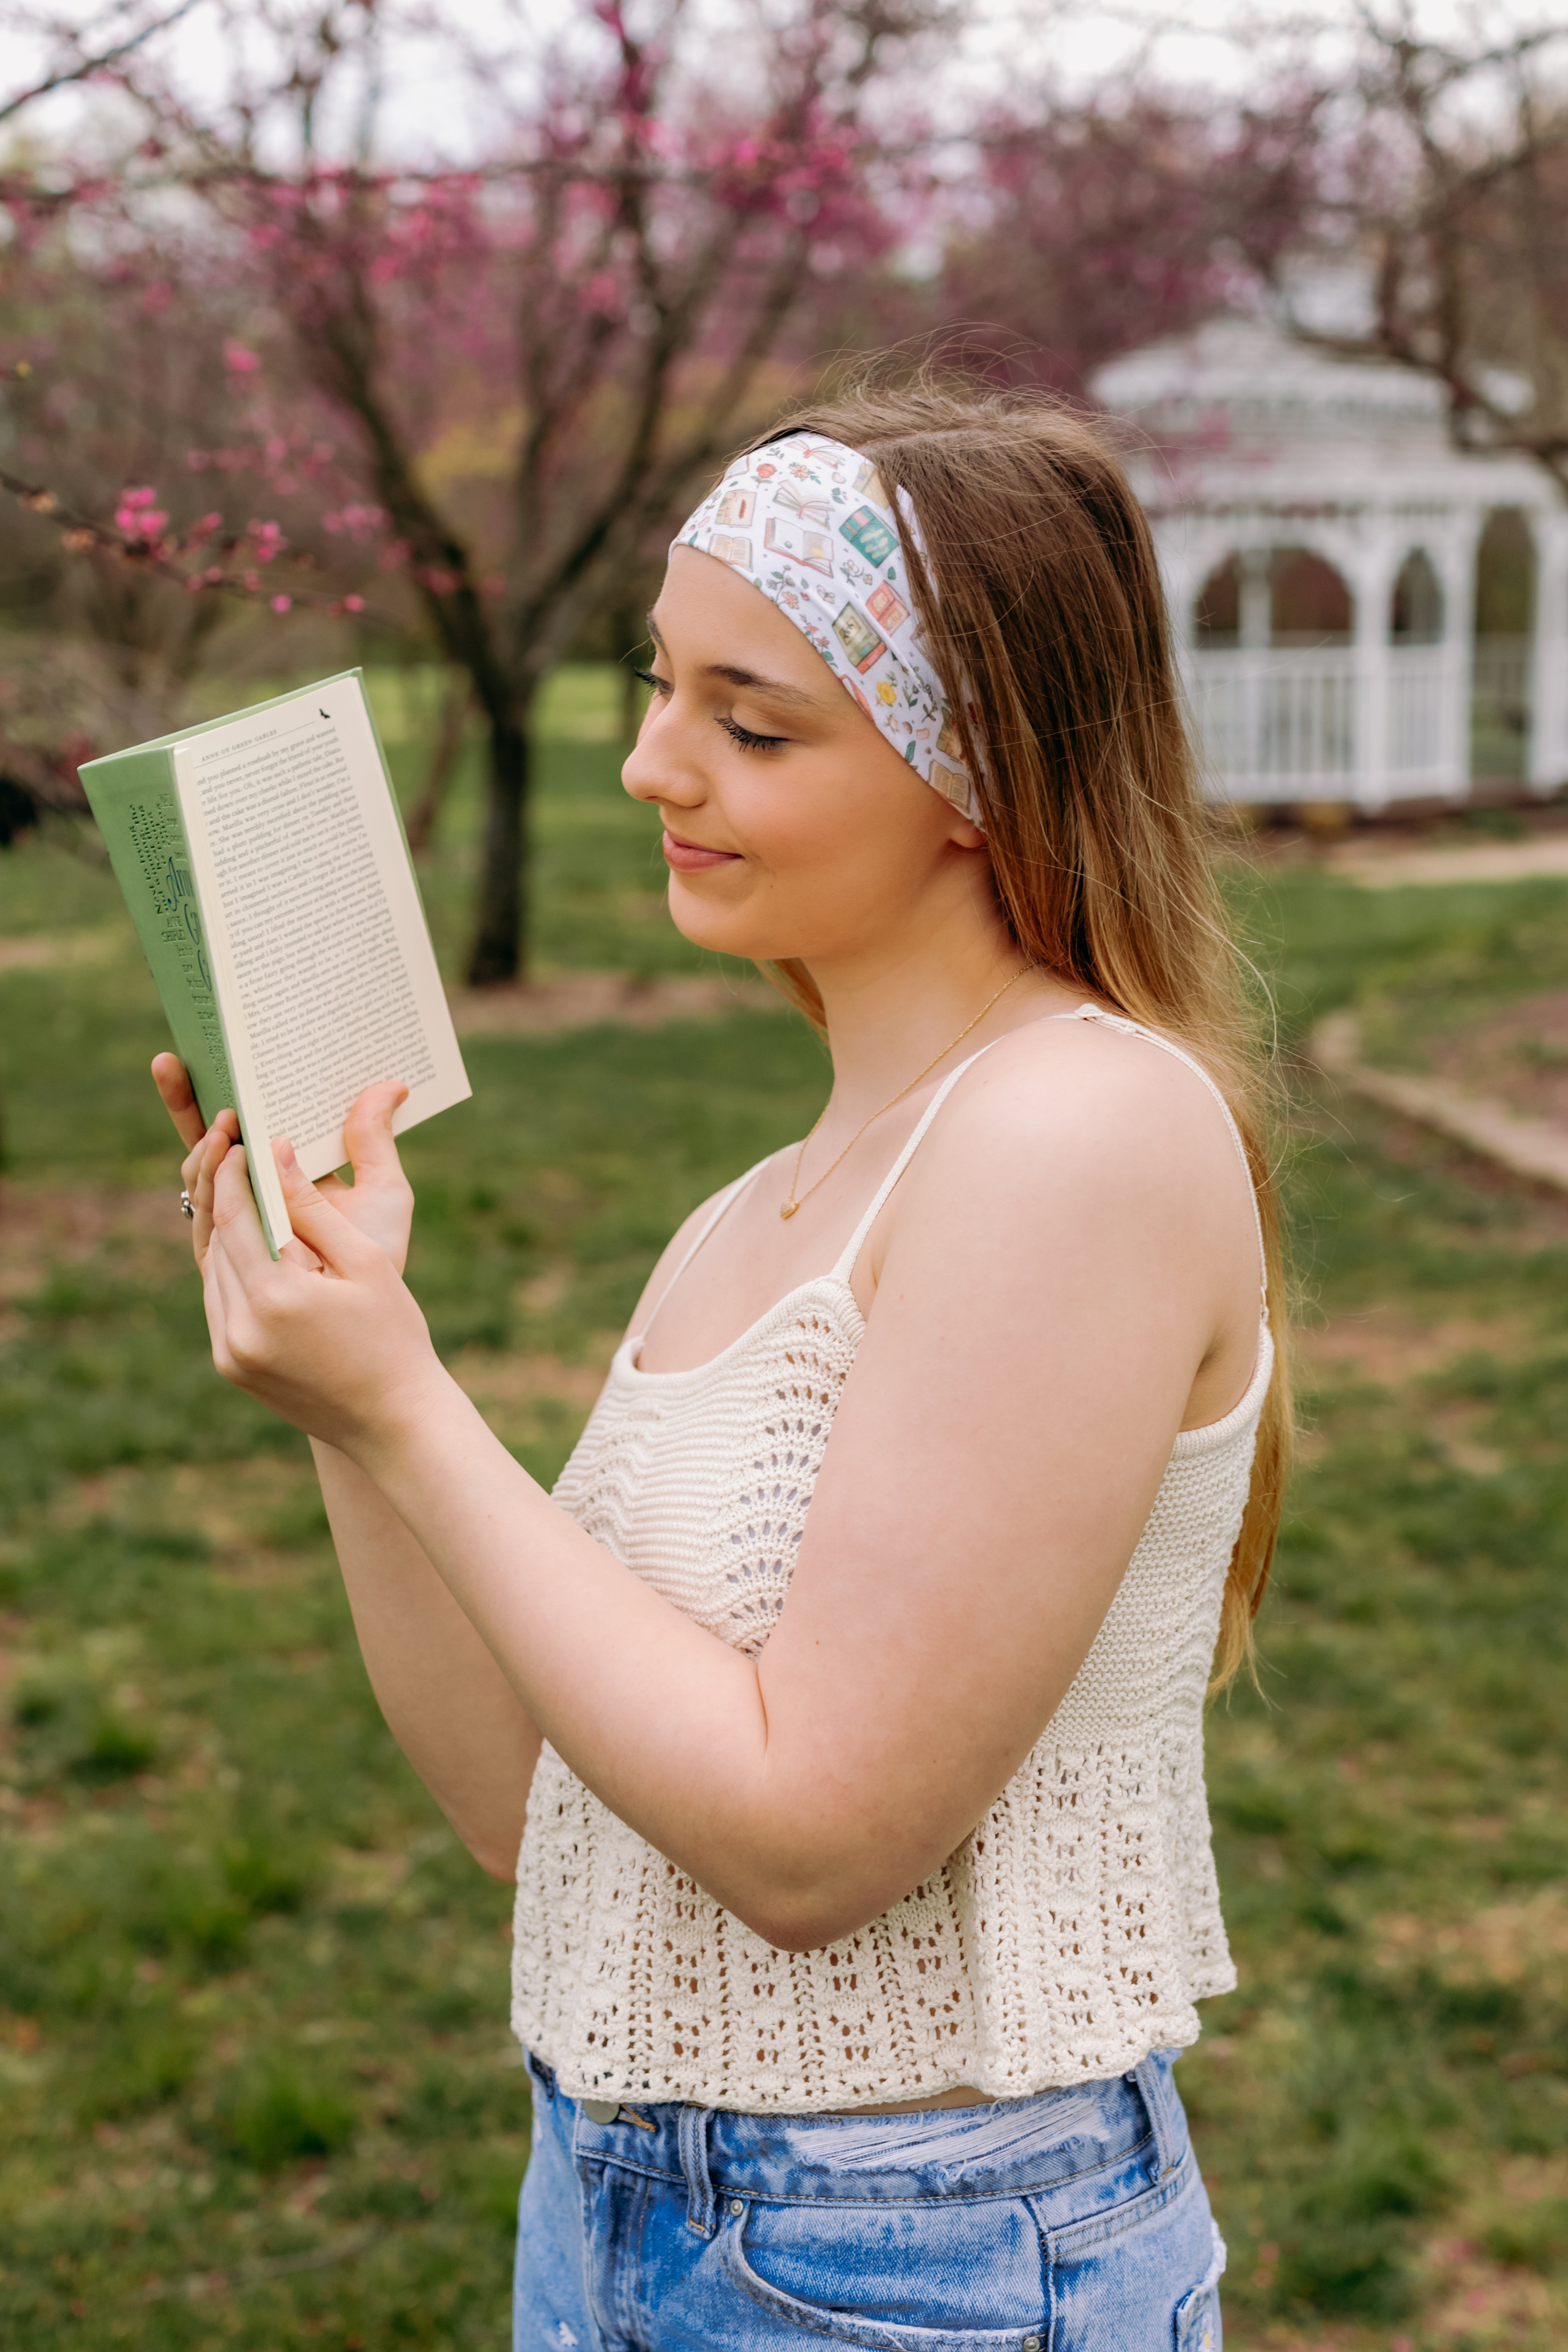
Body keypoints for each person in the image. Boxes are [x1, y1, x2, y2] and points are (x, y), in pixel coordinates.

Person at [154, 383, 1289, 2351]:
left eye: (753, 723)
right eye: (657, 689)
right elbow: (548, 1816)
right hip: (611, 2207)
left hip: (908, 2256)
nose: (654, 767)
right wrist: (353, 1393)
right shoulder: (754, 1211)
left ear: (974, 773)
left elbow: (811, 1838)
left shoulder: (1077, 1133)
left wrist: (420, 1411)